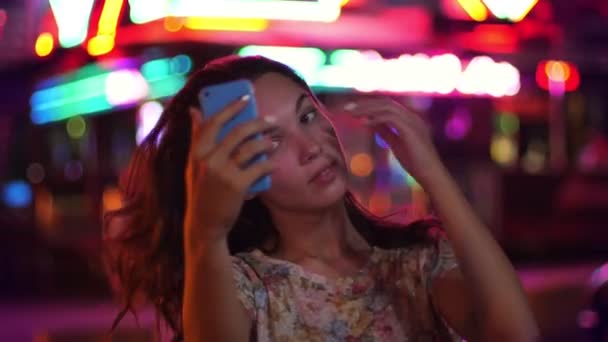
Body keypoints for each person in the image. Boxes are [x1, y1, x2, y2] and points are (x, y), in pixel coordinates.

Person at [103, 55, 539, 341]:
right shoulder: (244, 284)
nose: (311, 145)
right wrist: (206, 233)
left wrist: (432, 173)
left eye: (308, 115)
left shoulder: (415, 263)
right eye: (270, 141)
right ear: (238, 172)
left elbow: (515, 334)